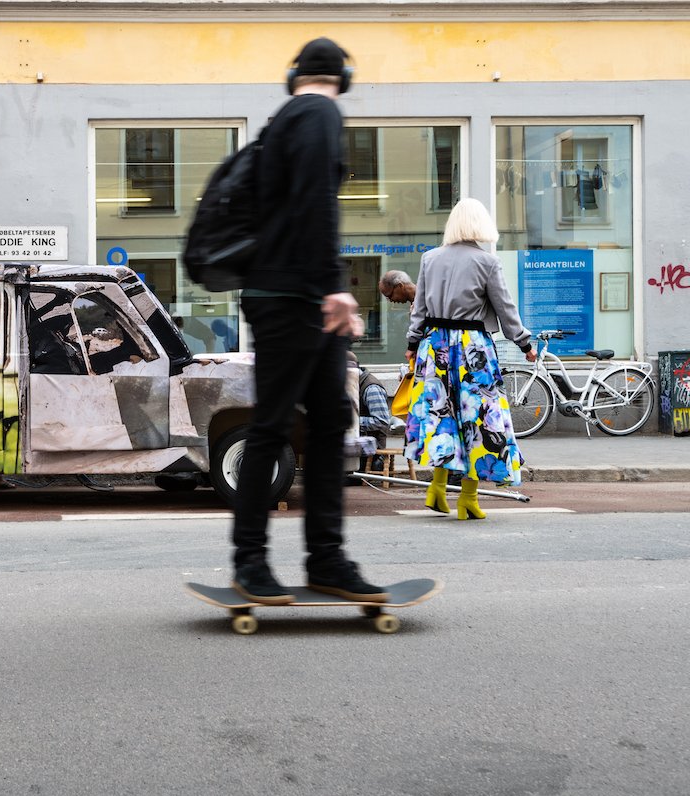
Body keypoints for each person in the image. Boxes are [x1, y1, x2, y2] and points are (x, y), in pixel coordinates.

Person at [229, 37, 387, 605]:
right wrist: (335, 288)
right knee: (275, 426)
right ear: (342, 77)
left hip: (287, 295)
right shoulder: (319, 113)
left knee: (326, 421)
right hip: (294, 298)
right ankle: (252, 563)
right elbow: (316, 203)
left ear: (294, 74)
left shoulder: (280, 123)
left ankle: (325, 560)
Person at [404, 197, 537, 520]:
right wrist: (524, 342)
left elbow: (419, 308)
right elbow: (505, 309)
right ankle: (468, 498)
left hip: (435, 345)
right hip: (471, 348)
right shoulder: (487, 262)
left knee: (441, 417)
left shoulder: (430, 259)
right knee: (478, 420)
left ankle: (436, 489)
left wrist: (412, 342)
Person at [348, 352, 393, 464]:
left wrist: (352, 421)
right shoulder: (352, 383)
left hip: (371, 451)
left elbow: (381, 421)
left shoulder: (371, 388)